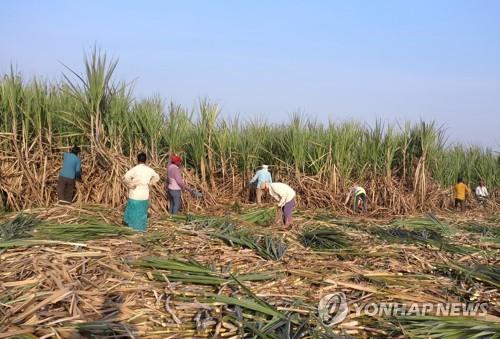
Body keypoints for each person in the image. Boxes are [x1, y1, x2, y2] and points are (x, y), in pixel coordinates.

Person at [123, 152, 160, 231]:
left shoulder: (135, 169)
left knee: (133, 211)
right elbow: (157, 177)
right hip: (144, 193)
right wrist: (150, 183)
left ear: (137, 160)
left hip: (135, 192)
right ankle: (140, 229)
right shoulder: (149, 170)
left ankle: (131, 229)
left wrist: (130, 184)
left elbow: (126, 177)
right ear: (145, 160)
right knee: (142, 212)